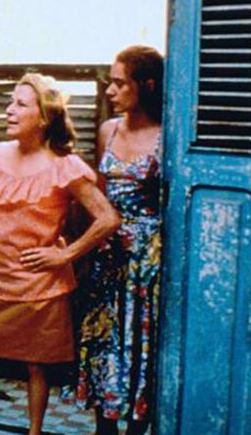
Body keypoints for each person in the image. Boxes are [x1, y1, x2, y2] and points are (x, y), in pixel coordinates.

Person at [0, 73, 121, 434]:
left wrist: (65, 256)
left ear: (45, 117)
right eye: (10, 102)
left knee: (37, 364)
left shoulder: (64, 166)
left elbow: (108, 218)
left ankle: (34, 431)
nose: (9, 110)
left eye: (20, 104)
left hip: (41, 285)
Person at [75, 45, 164, 435]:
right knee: (104, 344)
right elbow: (99, 196)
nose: (110, 91)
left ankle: (137, 427)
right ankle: (104, 427)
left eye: (119, 83)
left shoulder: (166, 136)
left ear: (147, 85)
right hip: (107, 255)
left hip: (146, 262)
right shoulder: (107, 130)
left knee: (138, 346)